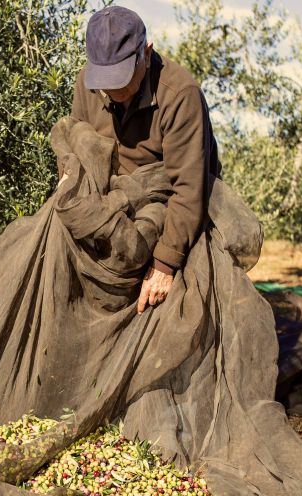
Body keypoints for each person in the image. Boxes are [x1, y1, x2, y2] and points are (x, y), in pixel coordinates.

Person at [69, 6, 221, 314]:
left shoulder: (180, 93)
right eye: (105, 79)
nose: (113, 90)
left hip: (169, 212)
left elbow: (189, 189)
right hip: (112, 211)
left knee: (178, 315)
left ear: (146, 53)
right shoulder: (88, 84)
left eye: (121, 78)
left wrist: (166, 263)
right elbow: (76, 151)